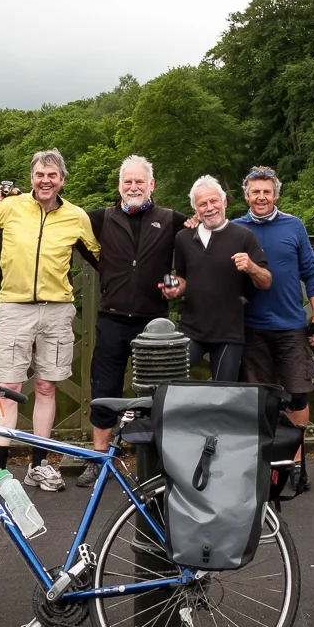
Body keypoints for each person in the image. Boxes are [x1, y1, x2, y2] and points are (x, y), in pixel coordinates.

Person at [0, 148, 98, 496]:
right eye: (39, 175)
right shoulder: (9, 206)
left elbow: (99, 257)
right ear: (32, 177)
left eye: (52, 175)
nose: (45, 181)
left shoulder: (76, 216)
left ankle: (39, 465)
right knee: (8, 388)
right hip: (14, 308)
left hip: (57, 310)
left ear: (62, 180)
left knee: (47, 387)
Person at [77, 155, 192, 488]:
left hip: (154, 323)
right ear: (119, 185)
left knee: (159, 394)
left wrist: (181, 281)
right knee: (104, 388)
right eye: (127, 181)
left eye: (139, 181)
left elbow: (201, 241)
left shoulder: (170, 219)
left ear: (151, 184)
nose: (133, 187)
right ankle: (100, 459)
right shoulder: (100, 218)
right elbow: (60, 221)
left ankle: (158, 460)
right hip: (111, 318)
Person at [234, 166, 314, 489]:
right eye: (255, 192)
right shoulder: (235, 228)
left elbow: (311, 273)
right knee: (257, 399)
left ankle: (297, 462)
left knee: (297, 394)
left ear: (275, 195)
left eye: (267, 192)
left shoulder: (294, 225)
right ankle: (262, 461)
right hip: (250, 326)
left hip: (290, 324)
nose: (261, 197)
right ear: (246, 196)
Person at [165, 175, 271, 381]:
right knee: (168, 379)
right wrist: (175, 287)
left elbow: (266, 281)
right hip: (191, 330)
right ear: (195, 210)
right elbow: (183, 278)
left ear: (224, 202)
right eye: (202, 204)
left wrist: (251, 267)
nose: (210, 208)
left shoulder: (244, 236)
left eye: (214, 201)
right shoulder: (183, 238)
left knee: (222, 392)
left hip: (228, 334)